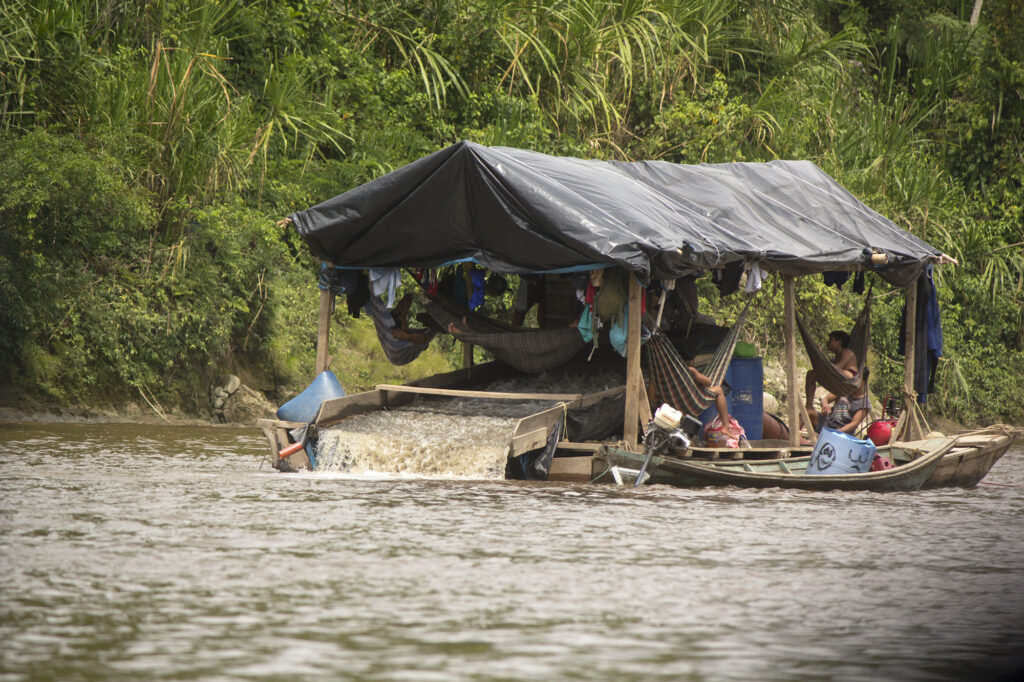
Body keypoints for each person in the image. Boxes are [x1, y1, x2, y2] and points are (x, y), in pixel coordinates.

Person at [804, 329, 859, 412]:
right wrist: (819, 356)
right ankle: (809, 405)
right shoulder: (836, 357)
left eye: (831, 340)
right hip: (838, 380)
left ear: (839, 342)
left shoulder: (847, 352)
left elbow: (837, 368)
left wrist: (822, 359)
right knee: (811, 374)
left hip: (849, 380)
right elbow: (826, 368)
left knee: (841, 371)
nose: (828, 342)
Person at [808, 368, 871, 434]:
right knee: (808, 413)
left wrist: (836, 432)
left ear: (863, 383)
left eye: (856, 381)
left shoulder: (865, 403)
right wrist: (825, 405)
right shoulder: (844, 389)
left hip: (842, 433)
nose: (853, 383)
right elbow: (825, 399)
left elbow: (854, 424)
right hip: (827, 423)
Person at [688, 364, 737, 438]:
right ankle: (726, 426)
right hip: (694, 396)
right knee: (719, 390)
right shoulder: (690, 369)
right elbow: (708, 382)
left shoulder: (673, 375)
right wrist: (696, 372)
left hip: (682, 398)